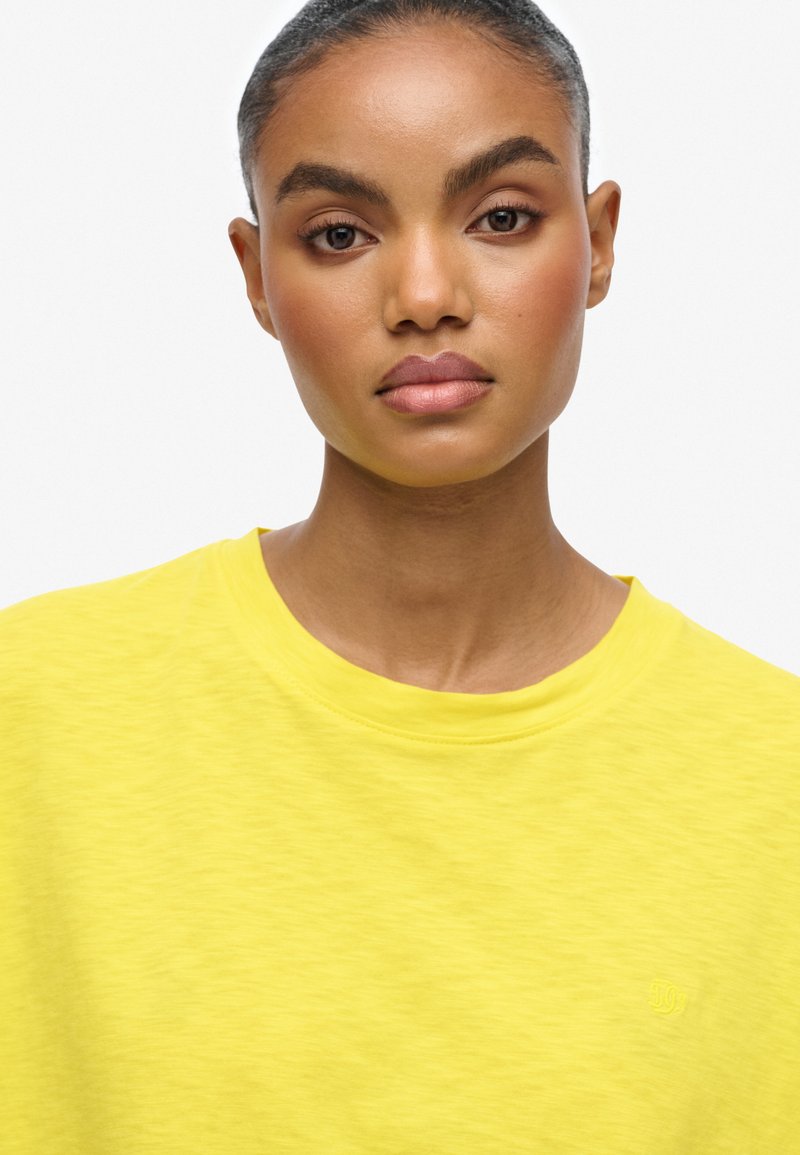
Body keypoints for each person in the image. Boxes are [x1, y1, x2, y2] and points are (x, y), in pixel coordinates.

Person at [2, 0, 798, 1151]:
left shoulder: (774, 778)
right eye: (339, 234)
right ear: (255, 277)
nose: (424, 295)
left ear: (598, 242)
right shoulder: (32, 713)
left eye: (501, 217)